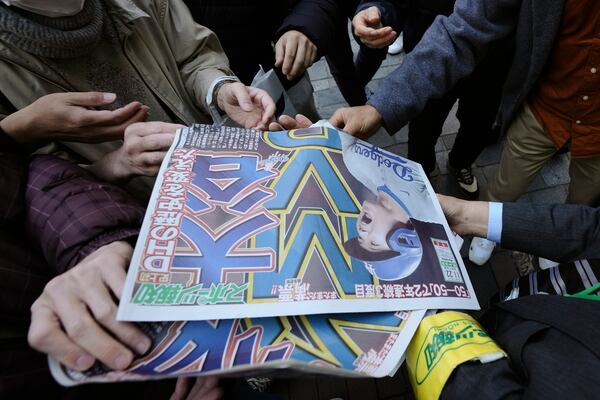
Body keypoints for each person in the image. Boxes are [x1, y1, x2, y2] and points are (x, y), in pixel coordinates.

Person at [327, 0, 600, 266]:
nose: (365, 227)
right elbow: (467, 27)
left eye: (365, 236)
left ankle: (553, 240)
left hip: (510, 78)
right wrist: (380, 107)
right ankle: (476, 217)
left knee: (480, 129)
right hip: (541, 108)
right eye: (373, 242)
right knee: (498, 174)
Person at [0, 0, 275, 185]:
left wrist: (218, 88)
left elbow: (192, 55)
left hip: (217, 172)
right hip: (134, 222)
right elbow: (28, 186)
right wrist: (114, 166)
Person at [352, 1, 511, 198]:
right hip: (427, 52)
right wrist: (377, 10)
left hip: (492, 62)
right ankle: (421, 171)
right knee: (424, 125)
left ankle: (460, 163)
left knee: (478, 124)